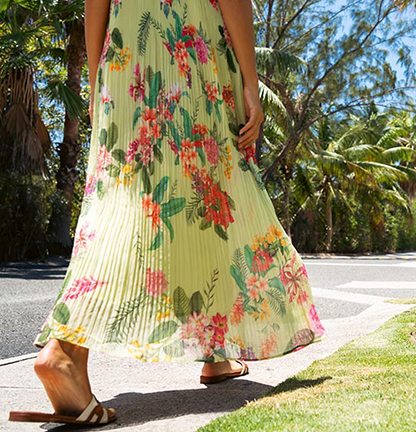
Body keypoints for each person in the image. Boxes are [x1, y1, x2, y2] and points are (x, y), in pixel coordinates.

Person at [9, 0, 327, 426]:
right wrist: (250, 84)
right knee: (212, 195)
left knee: (131, 197)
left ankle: (216, 353)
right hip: (190, 42)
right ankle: (65, 350)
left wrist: (97, 78)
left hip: (123, 51)